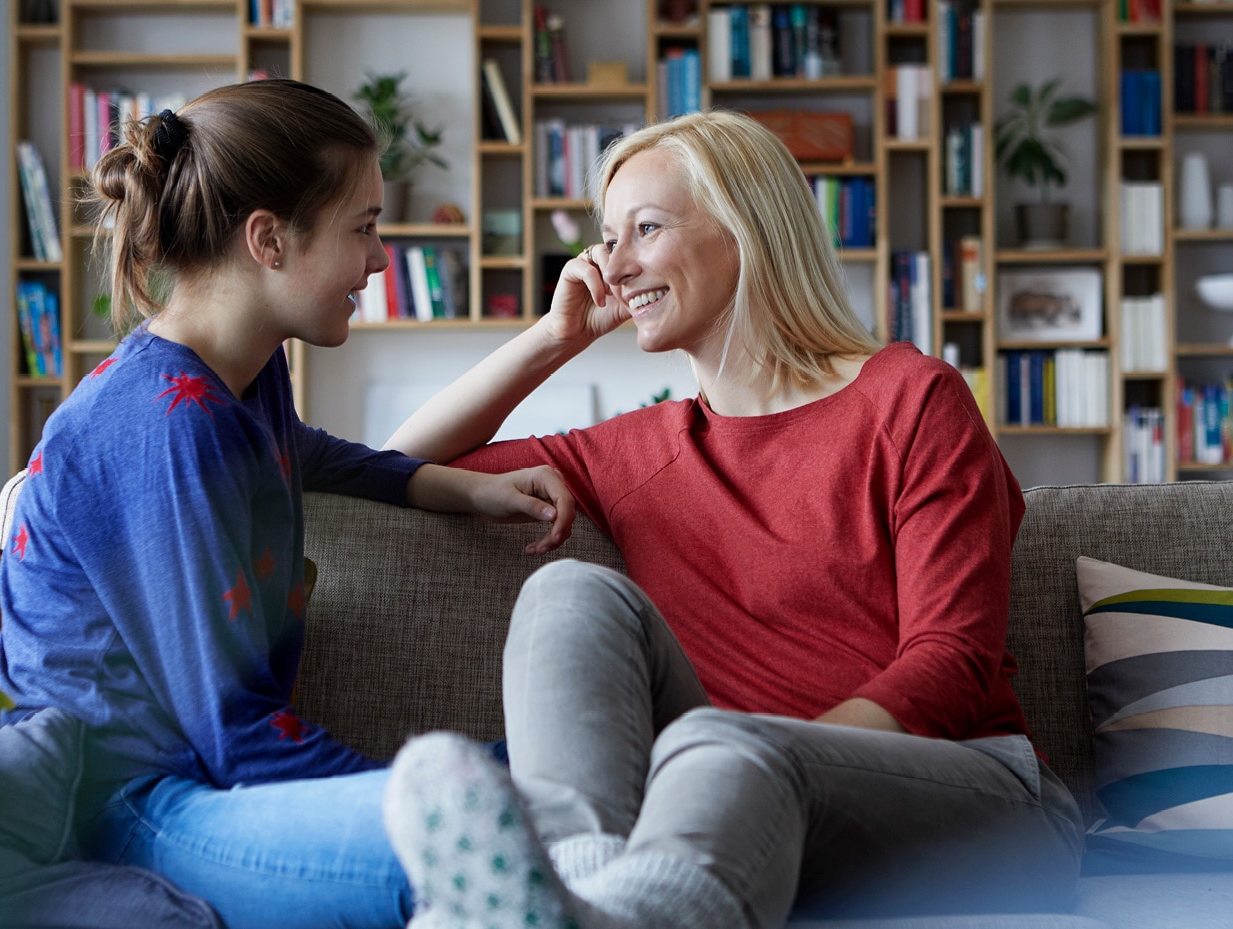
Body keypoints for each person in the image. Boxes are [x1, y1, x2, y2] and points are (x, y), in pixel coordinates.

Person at [378, 110, 1086, 929]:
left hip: (967, 791)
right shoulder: (637, 450)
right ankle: (574, 893)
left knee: (721, 749)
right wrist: (552, 338)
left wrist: (765, 761)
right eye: (607, 238)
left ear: (745, 230)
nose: (613, 264)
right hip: (725, 801)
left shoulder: (910, 398)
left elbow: (951, 662)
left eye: (645, 228)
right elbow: (394, 466)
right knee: (566, 593)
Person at [0, 79, 574, 929]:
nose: (381, 258)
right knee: (504, 817)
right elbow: (236, 733)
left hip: (206, 778)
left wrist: (458, 486)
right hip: (134, 810)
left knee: (548, 786)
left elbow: (297, 453)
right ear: (267, 239)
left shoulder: (241, 372)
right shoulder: (160, 427)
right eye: (364, 227)